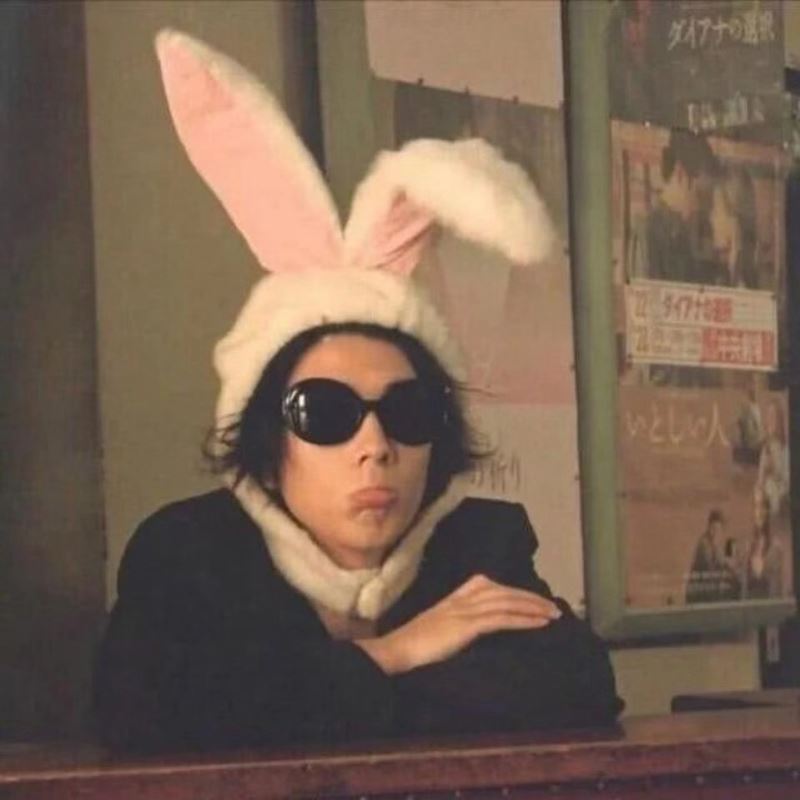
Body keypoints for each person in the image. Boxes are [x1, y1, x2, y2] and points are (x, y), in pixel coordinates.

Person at [92, 30, 622, 754]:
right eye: (326, 413)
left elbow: (576, 688)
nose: (375, 446)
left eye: (407, 411)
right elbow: (153, 717)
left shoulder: (476, 543)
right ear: (267, 443)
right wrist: (398, 651)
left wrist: (319, 691)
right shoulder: (190, 554)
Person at [627, 129, 719, 285]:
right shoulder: (646, 233)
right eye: (701, 194)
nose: (703, 207)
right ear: (680, 174)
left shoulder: (685, 234)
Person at [685, 509, 741, 604]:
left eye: (719, 529)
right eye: (714, 528)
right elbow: (712, 564)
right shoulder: (704, 544)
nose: (716, 532)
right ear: (709, 527)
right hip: (700, 594)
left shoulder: (716, 545)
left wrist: (733, 567)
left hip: (709, 591)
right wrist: (727, 564)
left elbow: (726, 563)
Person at [743, 486, 784, 600]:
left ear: (768, 511)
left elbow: (776, 591)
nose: (759, 512)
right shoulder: (748, 547)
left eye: (763, 507)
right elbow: (744, 591)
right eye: (756, 506)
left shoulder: (776, 548)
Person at [757, 399, 790, 518]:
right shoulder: (766, 446)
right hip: (766, 490)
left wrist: (773, 470)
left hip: (780, 490)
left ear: (779, 420)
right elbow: (760, 477)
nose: (770, 420)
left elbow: (786, 478)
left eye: (773, 416)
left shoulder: (785, 449)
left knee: (772, 488)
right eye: (768, 416)